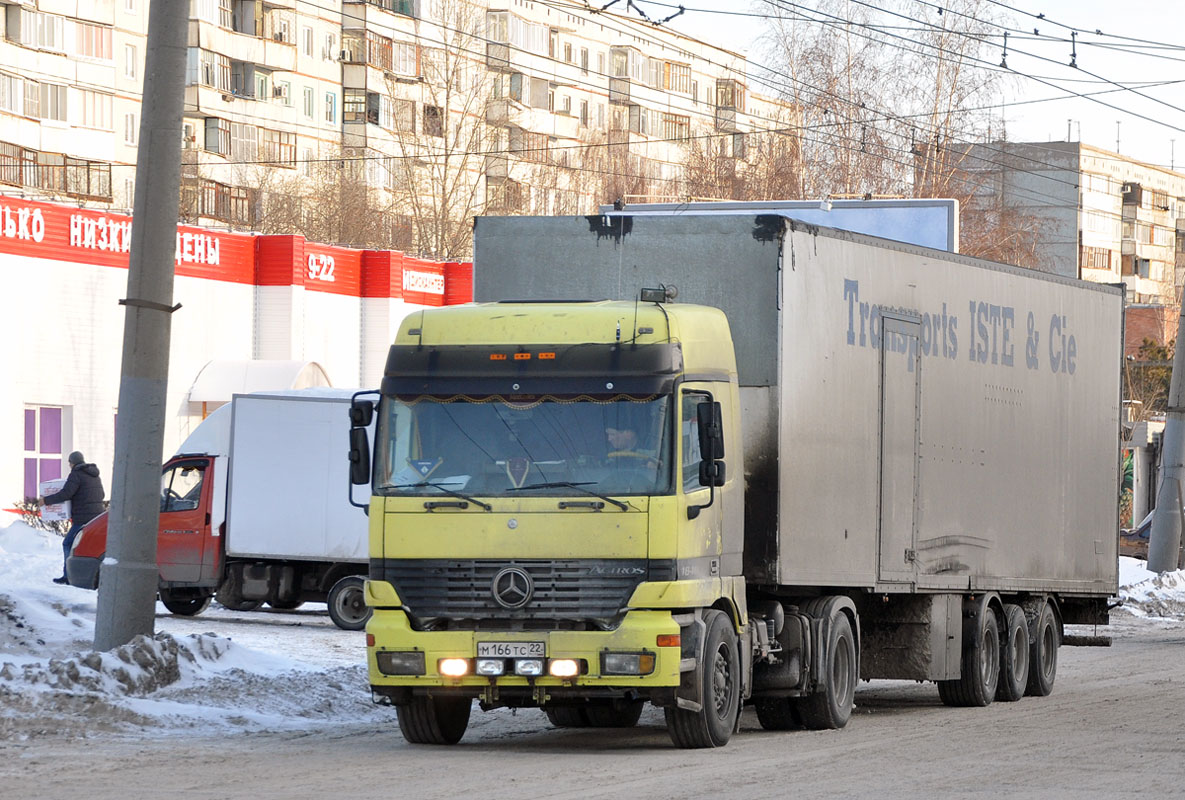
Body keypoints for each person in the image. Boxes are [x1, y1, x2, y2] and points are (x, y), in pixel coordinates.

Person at [41, 451, 105, 585]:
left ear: (72, 462)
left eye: (69, 462)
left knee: (68, 543)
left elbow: (66, 493)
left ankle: (68, 576)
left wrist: (46, 500)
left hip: (83, 518)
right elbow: (102, 494)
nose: (69, 465)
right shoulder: (94, 475)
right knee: (89, 546)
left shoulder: (76, 474)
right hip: (97, 516)